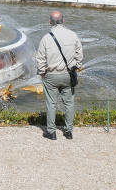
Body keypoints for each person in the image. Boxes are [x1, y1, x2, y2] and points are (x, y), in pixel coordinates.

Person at [35, 11, 83, 140]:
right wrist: (76, 66)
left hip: (51, 75)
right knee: (69, 103)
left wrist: (42, 73)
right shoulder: (73, 35)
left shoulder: (46, 38)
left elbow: (40, 59)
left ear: (50, 21)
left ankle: (51, 132)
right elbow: (79, 54)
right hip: (67, 75)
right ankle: (68, 132)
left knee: (51, 104)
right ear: (63, 20)